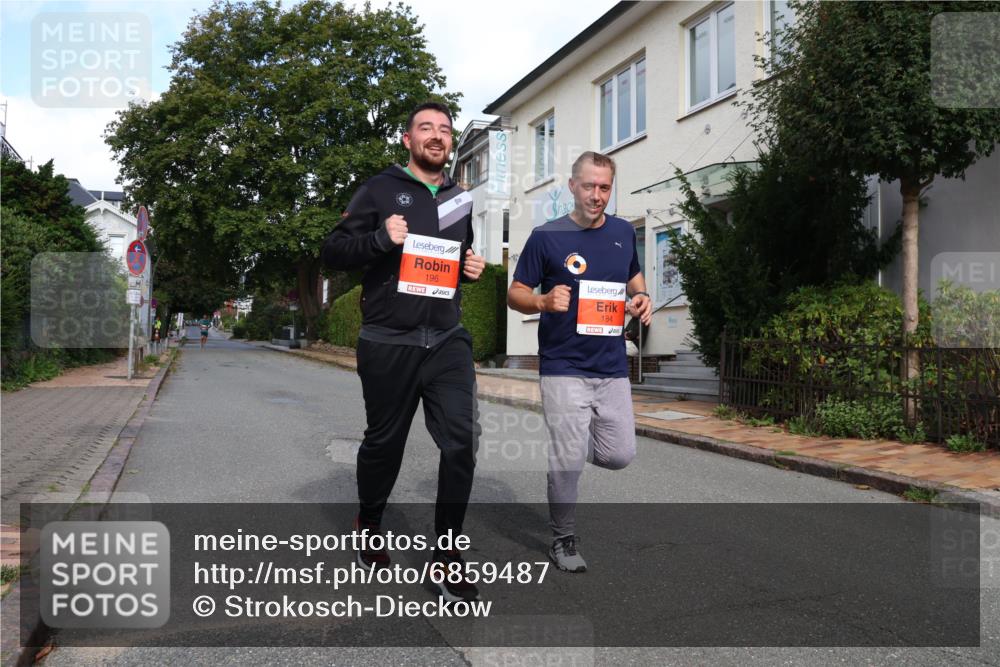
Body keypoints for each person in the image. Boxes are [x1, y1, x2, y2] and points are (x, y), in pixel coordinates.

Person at [321, 101, 486, 602]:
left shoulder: (461, 198)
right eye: (426, 128)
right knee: (384, 443)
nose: (436, 136)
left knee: (461, 441)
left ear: (450, 141)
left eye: (444, 129)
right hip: (389, 341)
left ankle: (447, 557)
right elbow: (332, 252)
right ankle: (369, 520)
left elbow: (451, 260)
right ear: (407, 139)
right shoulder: (380, 189)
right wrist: (378, 237)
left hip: (446, 340)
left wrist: (469, 267)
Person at [507, 151, 652, 573]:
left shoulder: (624, 232)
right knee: (568, 459)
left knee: (620, 454)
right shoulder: (546, 236)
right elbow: (515, 292)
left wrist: (641, 298)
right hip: (563, 365)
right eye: (589, 186)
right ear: (572, 186)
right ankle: (563, 539)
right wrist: (542, 299)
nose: (597, 195)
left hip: (610, 366)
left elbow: (634, 278)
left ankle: (567, 445)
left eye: (604, 187)